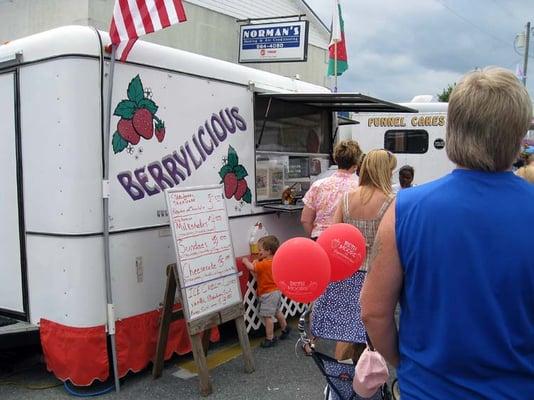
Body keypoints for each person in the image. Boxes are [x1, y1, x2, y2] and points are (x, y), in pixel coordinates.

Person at [360, 67, 534, 399]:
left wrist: (402, 361)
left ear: (453, 129)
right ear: (517, 135)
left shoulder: (405, 209)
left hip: (427, 389)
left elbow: (372, 310)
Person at [311, 149, 397, 362]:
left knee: (346, 332)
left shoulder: (347, 198)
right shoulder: (390, 201)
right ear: (385, 172)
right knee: (372, 332)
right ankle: (368, 384)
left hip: (347, 271)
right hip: (376, 275)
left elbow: (333, 234)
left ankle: (342, 381)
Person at [301, 140, 362, 239]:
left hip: (320, 238)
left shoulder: (318, 185)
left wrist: (316, 239)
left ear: (336, 159)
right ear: (356, 163)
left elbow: (305, 219)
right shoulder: (360, 187)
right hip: (347, 241)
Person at [242, 235, 290, 348]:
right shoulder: (274, 261)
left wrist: (245, 261)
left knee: (267, 316)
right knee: (277, 311)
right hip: (276, 291)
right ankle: (285, 328)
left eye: (260, 250)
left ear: (268, 251)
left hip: (268, 293)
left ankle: (270, 337)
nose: (259, 252)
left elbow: (252, 268)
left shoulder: (264, 264)